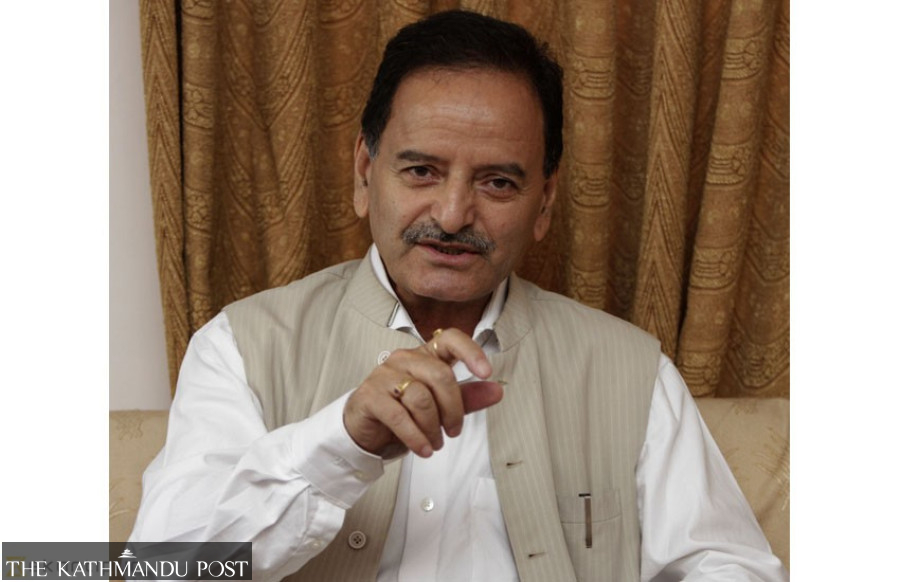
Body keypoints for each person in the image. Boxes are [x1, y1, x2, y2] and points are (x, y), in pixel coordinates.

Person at [130, 10, 788, 582]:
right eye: (421, 171)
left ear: (544, 203)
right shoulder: (241, 347)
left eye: (498, 183)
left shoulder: (631, 370)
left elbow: (729, 566)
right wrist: (340, 443)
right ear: (364, 172)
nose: (450, 215)